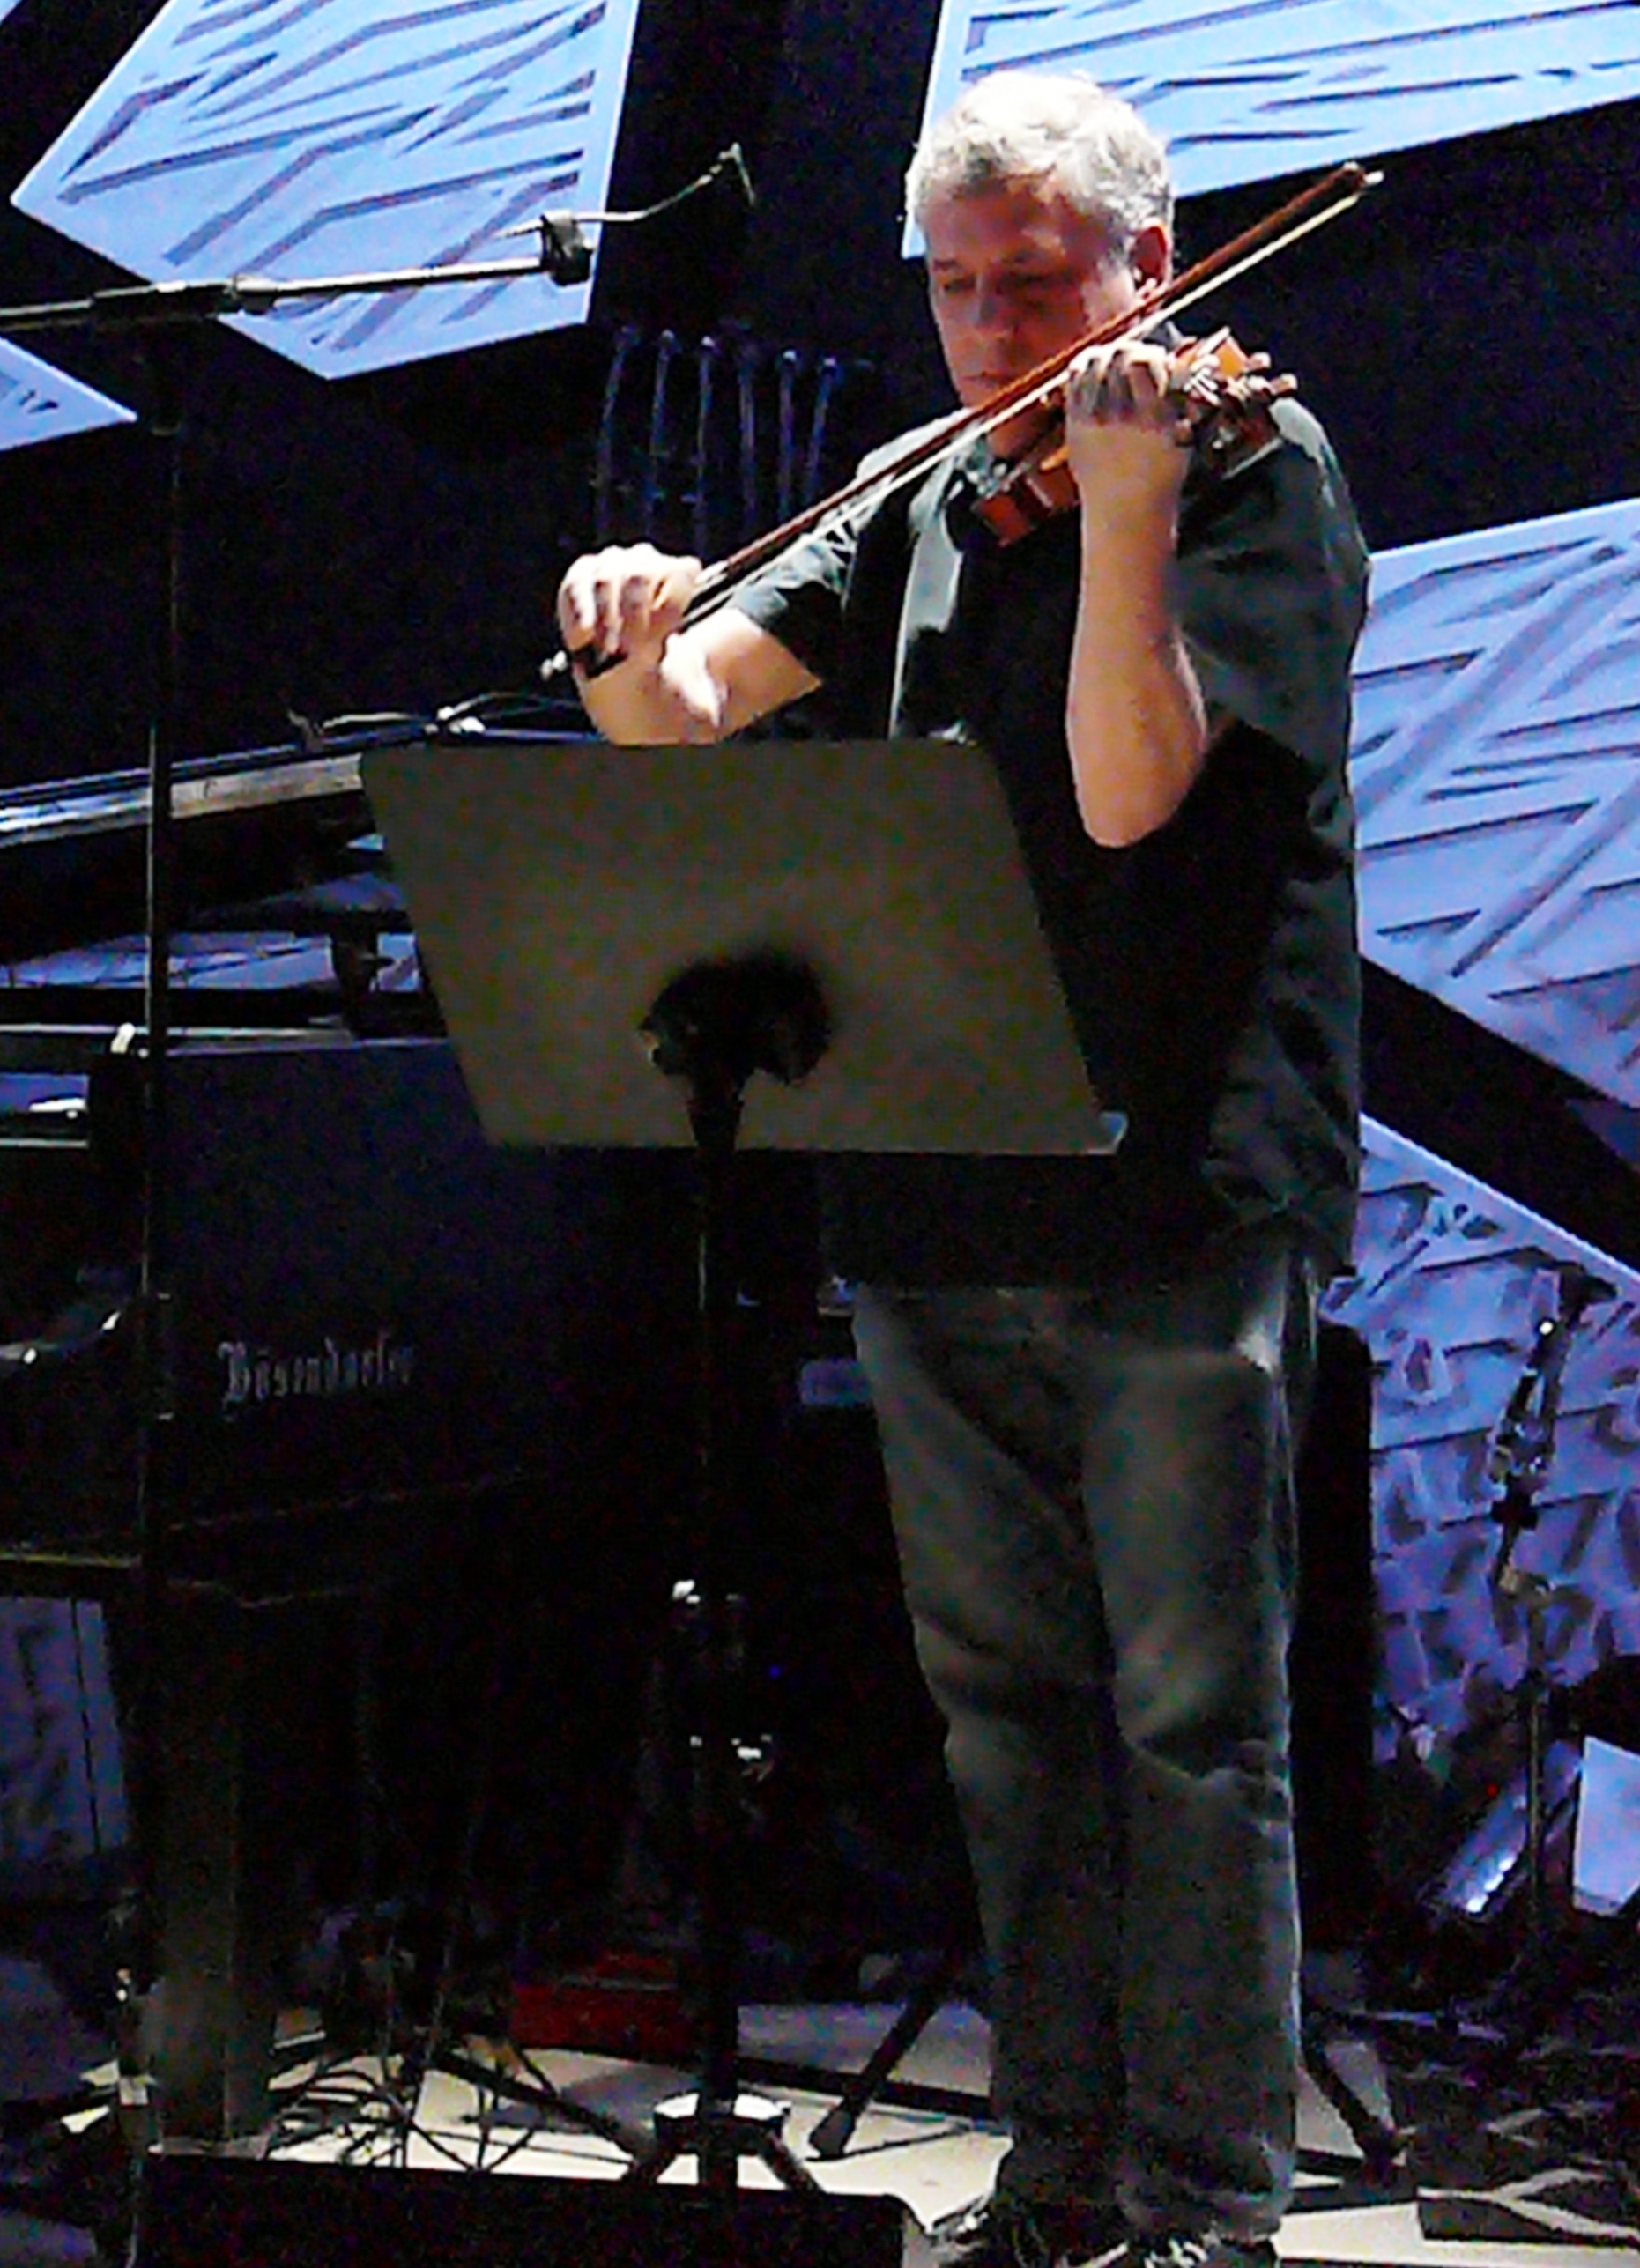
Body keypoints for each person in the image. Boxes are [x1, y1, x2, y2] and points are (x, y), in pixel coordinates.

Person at [554, 70, 1366, 2268]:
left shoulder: (1242, 471)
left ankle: (1206, 2188)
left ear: (1149, 271)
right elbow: (683, 722)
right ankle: (1060, 2152)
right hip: (931, 1177)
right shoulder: (914, 503)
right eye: (956, 290)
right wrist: (628, 628)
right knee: (1003, 1711)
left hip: (1177, 1185)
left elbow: (1126, 800)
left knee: (1193, 1721)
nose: (997, 335)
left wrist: (1120, 519)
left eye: (1037, 287)